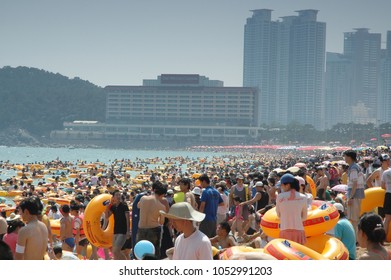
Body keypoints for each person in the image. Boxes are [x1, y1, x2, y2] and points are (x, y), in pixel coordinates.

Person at [136, 181, 168, 259]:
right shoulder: (162, 207)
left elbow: (138, 206)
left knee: (140, 253)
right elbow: (161, 222)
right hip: (154, 229)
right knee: (154, 254)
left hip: (141, 228)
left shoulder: (143, 198)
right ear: (163, 194)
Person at [275, 173, 308, 245]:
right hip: (299, 230)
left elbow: (278, 214)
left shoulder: (280, 197)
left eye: (282, 185)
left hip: (284, 229)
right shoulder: (303, 197)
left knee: (286, 254)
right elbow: (304, 217)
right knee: (299, 254)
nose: (281, 187)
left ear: (288, 185)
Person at [343, 149, 365, 238]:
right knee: (354, 218)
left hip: (354, 195)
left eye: (345, 156)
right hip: (356, 195)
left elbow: (354, 184)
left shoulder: (353, 168)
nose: (344, 158)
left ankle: (355, 238)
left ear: (349, 157)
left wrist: (351, 197)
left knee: (354, 218)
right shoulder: (356, 167)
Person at [105, 189, 130, 260]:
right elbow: (107, 216)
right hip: (115, 231)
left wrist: (128, 231)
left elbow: (127, 219)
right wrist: (107, 207)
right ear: (113, 197)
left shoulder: (124, 205)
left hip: (123, 231)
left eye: (119, 195)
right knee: (114, 252)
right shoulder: (113, 207)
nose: (118, 196)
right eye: (116, 195)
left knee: (116, 251)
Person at [198, 174, 224, 238]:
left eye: (200, 182)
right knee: (212, 239)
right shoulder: (216, 191)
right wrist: (212, 203)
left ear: (204, 181)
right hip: (214, 219)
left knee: (203, 239)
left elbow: (202, 207)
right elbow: (222, 203)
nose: (200, 184)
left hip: (206, 219)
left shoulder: (205, 192)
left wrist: (198, 218)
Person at [381, 154, 391, 236]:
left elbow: (382, 186)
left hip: (388, 194)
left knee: (387, 218)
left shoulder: (385, 172)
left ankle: (383, 238)